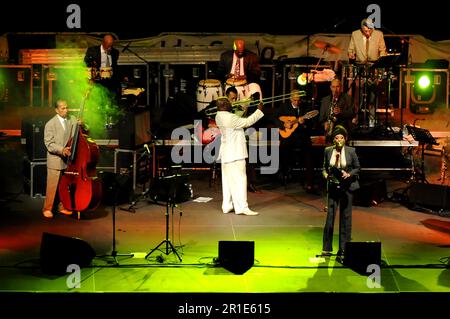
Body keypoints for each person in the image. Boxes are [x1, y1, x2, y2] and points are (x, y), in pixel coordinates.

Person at [215, 97, 264, 216]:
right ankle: (242, 207)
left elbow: (236, 119)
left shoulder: (218, 116)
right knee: (240, 180)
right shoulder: (230, 117)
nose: (232, 103)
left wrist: (241, 109)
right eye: (229, 103)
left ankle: (227, 205)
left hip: (227, 153)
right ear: (225, 105)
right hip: (235, 153)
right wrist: (258, 111)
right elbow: (246, 122)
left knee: (227, 181)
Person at [321, 125, 360, 262]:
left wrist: (348, 174)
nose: (339, 140)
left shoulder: (351, 151)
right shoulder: (328, 151)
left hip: (347, 187)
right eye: (336, 138)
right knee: (330, 217)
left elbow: (357, 167)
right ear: (333, 140)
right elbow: (324, 168)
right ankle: (326, 248)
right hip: (333, 187)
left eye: (341, 137)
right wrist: (326, 175)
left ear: (345, 139)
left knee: (346, 218)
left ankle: (343, 249)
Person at [347, 18, 387, 127]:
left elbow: (383, 50)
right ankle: (357, 118)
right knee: (359, 95)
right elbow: (350, 49)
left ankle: (372, 121)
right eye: (365, 31)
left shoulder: (379, 34)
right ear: (361, 30)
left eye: (370, 30)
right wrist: (351, 54)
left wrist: (381, 60)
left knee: (373, 95)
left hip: (373, 67)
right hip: (360, 67)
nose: (368, 32)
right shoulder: (355, 34)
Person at [42, 99, 78, 218]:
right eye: (62, 108)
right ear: (56, 110)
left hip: (67, 160)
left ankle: (62, 206)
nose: (65, 110)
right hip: (55, 159)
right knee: (52, 186)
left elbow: (80, 129)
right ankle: (47, 208)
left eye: (66, 107)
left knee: (64, 187)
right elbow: (49, 144)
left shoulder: (71, 119)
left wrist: (83, 124)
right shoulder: (50, 124)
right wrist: (61, 150)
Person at [275, 90, 315, 191]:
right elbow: (274, 118)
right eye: (295, 100)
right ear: (290, 99)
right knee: (283, 147)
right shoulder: (284, 107)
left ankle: (309, 181)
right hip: (288, 136)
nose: (297, 102)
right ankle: (284, 174)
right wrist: (283, 124)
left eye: (298, 100)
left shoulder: (306, 108)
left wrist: (304, 123)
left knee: (308, 150)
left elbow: (312, 123)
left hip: (301, 135)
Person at [84, 34, 120, 100]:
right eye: (108, 45)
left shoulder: (115, 52)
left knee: (110, 97)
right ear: (103, 43)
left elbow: (114, 66)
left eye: (111, 45)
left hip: (109, 79)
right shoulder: (92, 50)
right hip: (96, 77)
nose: (110, 48)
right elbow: (86, 62)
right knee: (97, 97)